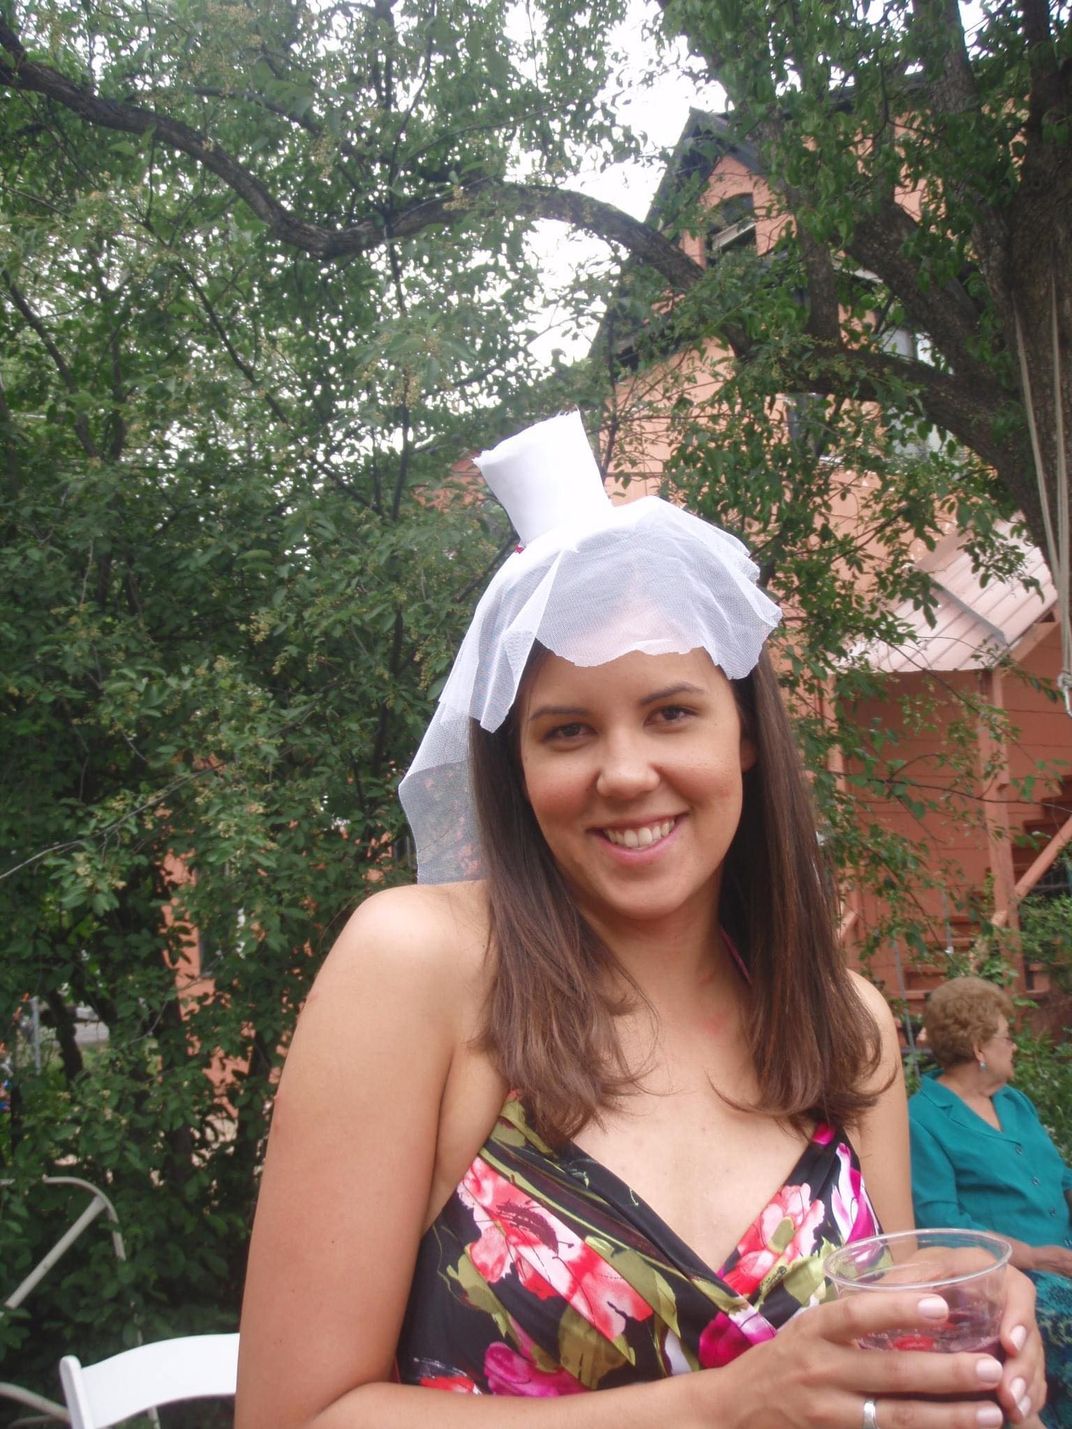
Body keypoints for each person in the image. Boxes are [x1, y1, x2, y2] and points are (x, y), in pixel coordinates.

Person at [237, 412, 1045, 1428]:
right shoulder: (421, 969)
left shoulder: (849, 1026)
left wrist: (962, 1303)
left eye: (669, 712)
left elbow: (879, 1298)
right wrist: (727, 1405)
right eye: (567, 730)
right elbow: (294, 1414)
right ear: (516, 767)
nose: (624, 774)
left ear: (744, 733)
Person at [910, 975, 1072, 1425]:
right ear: (980, 1048)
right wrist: (1037, 1257)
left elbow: (1059, 1176)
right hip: (1008, 1280)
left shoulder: (1014, 1102)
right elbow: (941, 1222)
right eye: (1007, 1037)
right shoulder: (922, 1119)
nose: (1013, 1047)